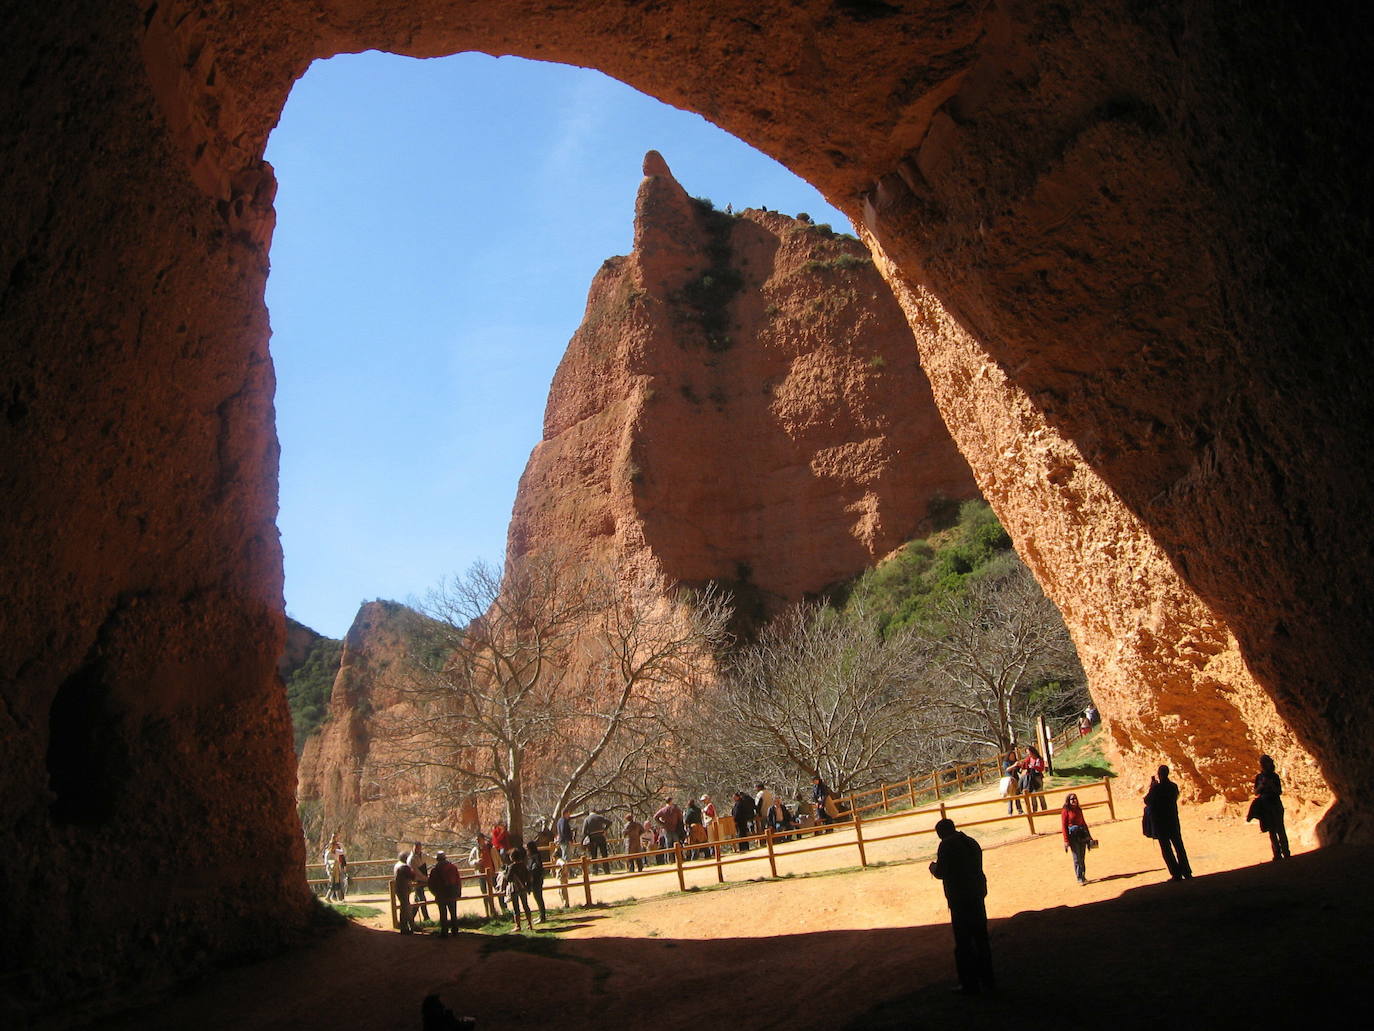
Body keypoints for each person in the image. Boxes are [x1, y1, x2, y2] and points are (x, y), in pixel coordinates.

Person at [929, 818, 994, 995]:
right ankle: (988, 980)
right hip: (977, 894)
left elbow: (942, 872)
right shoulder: (971, 841)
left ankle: (969, 983)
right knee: (981, 938)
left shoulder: (947, 846)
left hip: (960, 899)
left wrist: (933, 868)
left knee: (963, 942)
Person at [1144, 765, 1192, 880]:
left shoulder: (1156, 789)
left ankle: (1176, 874)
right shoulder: (1173, 786)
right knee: (1179, 846)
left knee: (1167, 849)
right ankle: (1186, 872)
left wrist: (1152, 788)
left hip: (1161, 822)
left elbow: (1147, 800)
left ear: (1159, 774)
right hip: (1173, 820)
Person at [1248, 754, 1291, 860]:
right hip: (1265, 806)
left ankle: (1286, 852)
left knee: (1280, 829)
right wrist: (1262, 786)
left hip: (1275, 804)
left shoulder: (1274, 776)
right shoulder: (1259, 777)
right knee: (1271, 830)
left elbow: (1279, 791)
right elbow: (1256, 792)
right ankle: (1277, 854)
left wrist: (1271, 785)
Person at [1060, 793, 1095, 884]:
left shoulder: (1079, 809)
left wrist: (1089, 836)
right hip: (1073, 836)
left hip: (1081, 834)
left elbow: (1083, 822)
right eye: (1072, 799)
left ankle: (1083, 875)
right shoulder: (1065, 811)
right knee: (1077, 857)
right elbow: (1064, 826)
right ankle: (1079, 877)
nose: (1074, 800)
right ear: (1068, 801)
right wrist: (1066, 840)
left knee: (1082, 856)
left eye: (1075, 798)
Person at [427, 850, 463, 937]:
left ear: (437, 859)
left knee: (443, 913)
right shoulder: (453, 867)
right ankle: (455, 930)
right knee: (453, 912)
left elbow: (431, 884)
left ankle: (444, 931)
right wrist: (458, 892)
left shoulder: (434, 871)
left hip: (441, 894)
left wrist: (435, 893)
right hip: (452, 892)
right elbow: (458, 880)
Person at [502, 846, 535, 931]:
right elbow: (528, 877)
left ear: (512, 857)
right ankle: (530, 924)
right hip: (523, 888)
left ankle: (518, 925)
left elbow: (508, 878)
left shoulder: (511, 867)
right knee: (525, 906)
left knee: (516, 908)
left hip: (515, 888)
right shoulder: (523, 865)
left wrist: (504, 874)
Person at [393, 850, 422, 934]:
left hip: (399, 888)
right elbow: (412, 876)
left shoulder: (397, 865)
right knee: (405, 908)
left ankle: (410, 926)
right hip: (404, 889)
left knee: (405, 907)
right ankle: (405, 928)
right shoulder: (404, 867)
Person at [524, 838, 548, 922]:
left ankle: (542, 916)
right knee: (537, 897)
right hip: (535, 879)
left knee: (538, 897)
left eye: (527, 848)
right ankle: (541, 915)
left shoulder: (535, 856)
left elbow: (535, 868)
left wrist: (529, 872)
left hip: (536, 880)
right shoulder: (532, 856)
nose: (527, 850)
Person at [407, 842, 431, 922]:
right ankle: (425, 917)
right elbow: (417, 873)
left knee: (418, 899)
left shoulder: (422, 855)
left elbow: (431, 859)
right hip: (416, 881)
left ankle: (412, 918)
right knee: (421, 898)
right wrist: (427, 879)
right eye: (417, 847)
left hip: (422, 880)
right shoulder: (411, 859)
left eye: (419, 847)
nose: (418, 849)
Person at [1019, 746, 1047, 812]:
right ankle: (1035, 810)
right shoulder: (1028, 759)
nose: (1029, 754)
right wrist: (1021, 766)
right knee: (1032, 795)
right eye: (1027, 753)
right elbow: (1024, 765)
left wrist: (1034, 767)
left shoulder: (1039, 759)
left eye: (1029, 752)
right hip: (1030, 778)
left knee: (1040, 794)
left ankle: (1044, 809)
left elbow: (1041, 768)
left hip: (1037, 778)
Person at [1001, 750, 1024, 815]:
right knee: (1010, 797)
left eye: (1013, 755)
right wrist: (1014, 765)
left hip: (1016, 780)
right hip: (1009, 780)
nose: (1012, 757)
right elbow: (1007, 769)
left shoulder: (1015, 762)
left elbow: (1019, 771)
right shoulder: (1005, 762)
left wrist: (1021, 766)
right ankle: (1010, 811)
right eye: (1011, 756)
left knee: (1017, 796)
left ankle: (1020, 810)